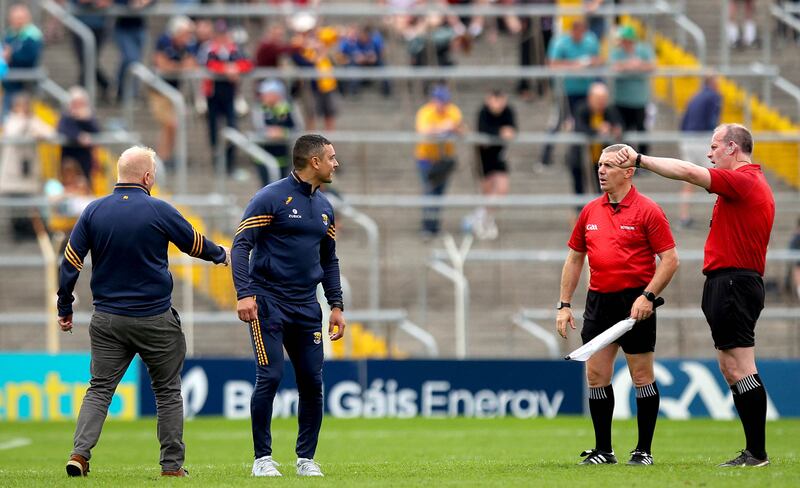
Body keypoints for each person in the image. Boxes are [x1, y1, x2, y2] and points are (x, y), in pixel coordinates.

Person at [57, 146, 231, 478]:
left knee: (100, 389)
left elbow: (70, 263)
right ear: (148, 177)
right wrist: (221, 254)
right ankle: (171, 467)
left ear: (119, 175)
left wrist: (65, 306)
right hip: (155, 319)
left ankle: (79, 455)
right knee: (167, 391)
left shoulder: (93, 212)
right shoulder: (158, 209)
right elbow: (194, 244)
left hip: (108, 319)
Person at [613, 124, 775, 467]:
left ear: (732, 148)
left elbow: (688, 172)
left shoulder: (744, 180)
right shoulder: (745, 184)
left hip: (734, 283)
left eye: (714, 146)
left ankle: (757, 453)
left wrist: (639, 158)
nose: (709, 153)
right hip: (728, 282)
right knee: (731, 367)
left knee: (740, 366)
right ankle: (754, 451)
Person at [557, 144, 679, 466]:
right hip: (599, 301)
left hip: (635, 302)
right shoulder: (589, 211)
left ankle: (644, 450)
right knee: (596, 375)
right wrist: (564, 304)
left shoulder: (648, 210)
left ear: (628, 172)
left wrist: (648, 297)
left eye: (609, 165)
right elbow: (574, 258)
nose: (601, 171)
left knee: (641, 376)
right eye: (599, 164)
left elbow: (669, 260)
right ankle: (603, 450)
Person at [232, 134, 346, 478]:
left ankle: (306, 459)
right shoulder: (270, 198)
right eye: (331, 157)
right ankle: (262, 460)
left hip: (307, 307)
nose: (335, 163)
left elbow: (329, 260)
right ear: (314, 162)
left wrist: (336, 305)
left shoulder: (325, 207)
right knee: (271, 375)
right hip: (268, 302)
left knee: (312, 381)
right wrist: (244, 293)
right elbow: (240, 246)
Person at [539, 17, 600, 169]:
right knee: (558, 122)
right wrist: (574, 65)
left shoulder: (590, 40)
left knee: (582, 124)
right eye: (577, 33)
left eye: (582, 33)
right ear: (572, 31)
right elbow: (552, 64)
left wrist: (590, 62)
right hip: (565, 91)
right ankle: (545, 158)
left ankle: (576, 158)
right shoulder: (561, 42)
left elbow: (599, 59)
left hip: (586, 91)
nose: (580, 36)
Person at [415, 84, 465, 238]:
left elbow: (462, 129)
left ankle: (435, 226)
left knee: (440, 193)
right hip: (426, 159)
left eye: (444, 101)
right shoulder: (425, 112)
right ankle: (427, 226)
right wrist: (444, 127)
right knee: (429, 192)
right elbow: (424, 130)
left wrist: (449, 128)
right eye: (439, 100)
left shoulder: (453, 111)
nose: (442, 104)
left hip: (445, 158)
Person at [467, 89, 517, 240]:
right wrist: (500, 132)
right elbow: (483, 132)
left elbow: (513, 129)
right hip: (483, 156)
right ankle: (484, 219)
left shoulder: (508, 111)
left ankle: (485, 217)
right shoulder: (483, 112)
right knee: (487, 192)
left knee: (501, 190)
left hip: (499, 155)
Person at [151, 15, 198, 168]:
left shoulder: (188, 45)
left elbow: (191, 64)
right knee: (169, 124)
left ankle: (166, 157)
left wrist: (174, 66)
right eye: (185, 33)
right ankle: (162, 158)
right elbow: (161, 64)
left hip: (174, 90)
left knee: (174, 125)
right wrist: (179, 66)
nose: (188, 37)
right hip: (159, 90)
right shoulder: (164, 41)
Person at [678, 75, 722, 227]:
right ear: (713, 82)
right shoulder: (714, 96)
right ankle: (723, 217)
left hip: (687, 139)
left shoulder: (694, 96)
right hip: (702, 140)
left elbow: (683, 122)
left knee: (688, 179)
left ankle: (684, 216)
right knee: (718, 179)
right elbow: (712, 121)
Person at [568, 82, 622, 196]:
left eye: (603, 99)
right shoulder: (581, 108)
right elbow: (579, 127)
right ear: (590, 98)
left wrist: (613, 129)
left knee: (603, 190)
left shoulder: (609, 110)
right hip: (581, 157)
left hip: (601, 160)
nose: (601, 102)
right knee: (579, 189)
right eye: (598, 99)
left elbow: (619, 125)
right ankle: (580, 212)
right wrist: (598, 130)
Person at [610, 25, 655, 157]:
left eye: (626, 40)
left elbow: (651, 66)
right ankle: (626, 158)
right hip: (621, 99)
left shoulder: (644, 50)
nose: (624, 43)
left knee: (642, 130)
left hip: (640, 100)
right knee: (623, 131)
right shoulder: (617, 52)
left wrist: (637, 65)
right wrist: (630, 65)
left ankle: (644, 158)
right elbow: (614, 67)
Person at [252, 79, 302, 185]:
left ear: (276, 94)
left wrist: (283, 133)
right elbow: (259, 128)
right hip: (264, 157)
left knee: (283, 191)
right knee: (266, 190)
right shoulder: (259, 107)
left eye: (266, 93)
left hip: (283, 156)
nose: (262, 96)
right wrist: (269, 134)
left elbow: (298, 128)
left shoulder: (289, 107)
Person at [2, 4, 43, 119]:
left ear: (27, 18)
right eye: (15, 18)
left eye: (20, 18)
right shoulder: (10, 35)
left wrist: (12, 55)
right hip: (9, 84)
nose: (18, 21)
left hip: (25, 85)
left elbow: (30, 58)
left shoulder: (33, 36)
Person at [57, 86, 101, 184]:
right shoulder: (66, 117)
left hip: (85, 159)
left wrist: (86, 120)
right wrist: (79, 136)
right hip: (69, 159)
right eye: (75, 103)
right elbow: (63, 130)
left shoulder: (88, 118)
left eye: (80, 103)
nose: (78, 106)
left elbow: (97, 132)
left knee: (86, 184)